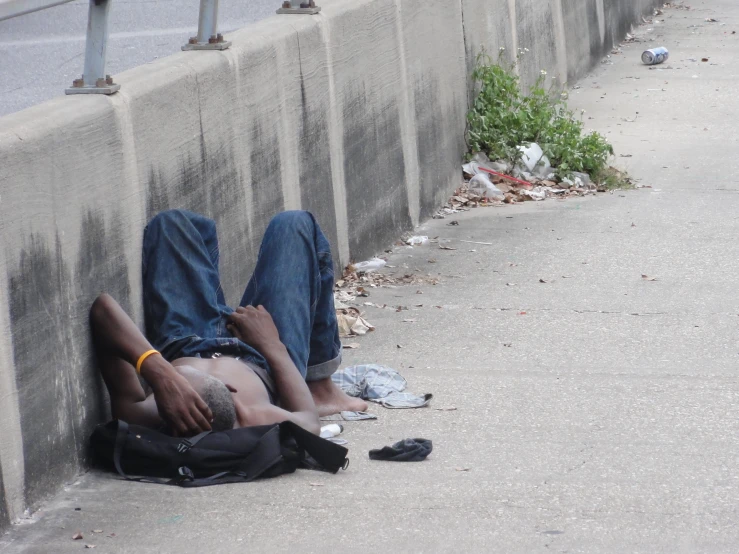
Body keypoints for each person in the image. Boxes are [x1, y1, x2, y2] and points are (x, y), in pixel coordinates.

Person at [90, 209, 367, 437]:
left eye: (174, 382)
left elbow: (104, 311)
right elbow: (309, 422)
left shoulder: (144, 414)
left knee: (170, 223)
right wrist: (271, 344)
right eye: (180, 381)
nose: (175, 379)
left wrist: (159, 373)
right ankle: (320, 387)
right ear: (231, 391)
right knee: (293, 225)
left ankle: (206, 278)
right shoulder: (253, 415)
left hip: (184, 340)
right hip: (264, 358)